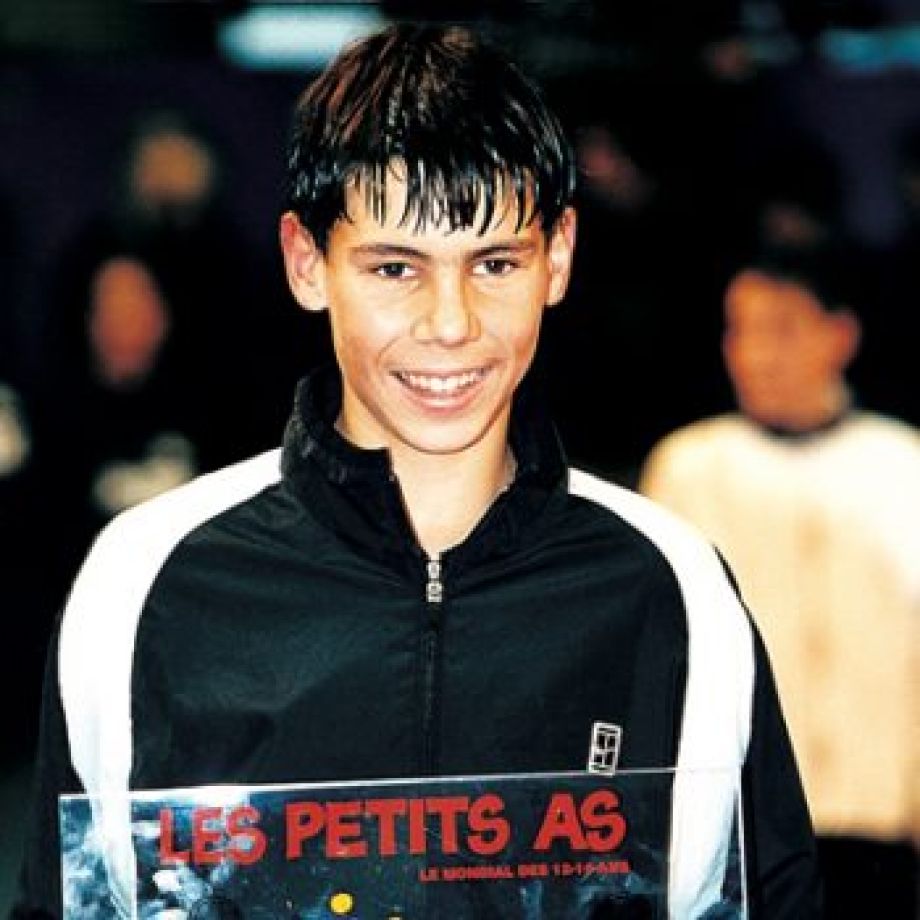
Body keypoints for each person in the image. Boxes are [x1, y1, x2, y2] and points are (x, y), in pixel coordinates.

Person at [13, 24, 818, 918]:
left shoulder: (669, 589)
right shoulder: (146, 584)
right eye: (396, 267)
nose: (450, 323)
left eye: (495, 263)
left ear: (557, 257)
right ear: (307, 263)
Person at [641, 245, 920, 918]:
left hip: (878, 817)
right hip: (743, 822)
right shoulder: (690, 467)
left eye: (783, 329)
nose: (758, 355)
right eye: (741, 330)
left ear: (839, 334)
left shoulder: (902, 464)